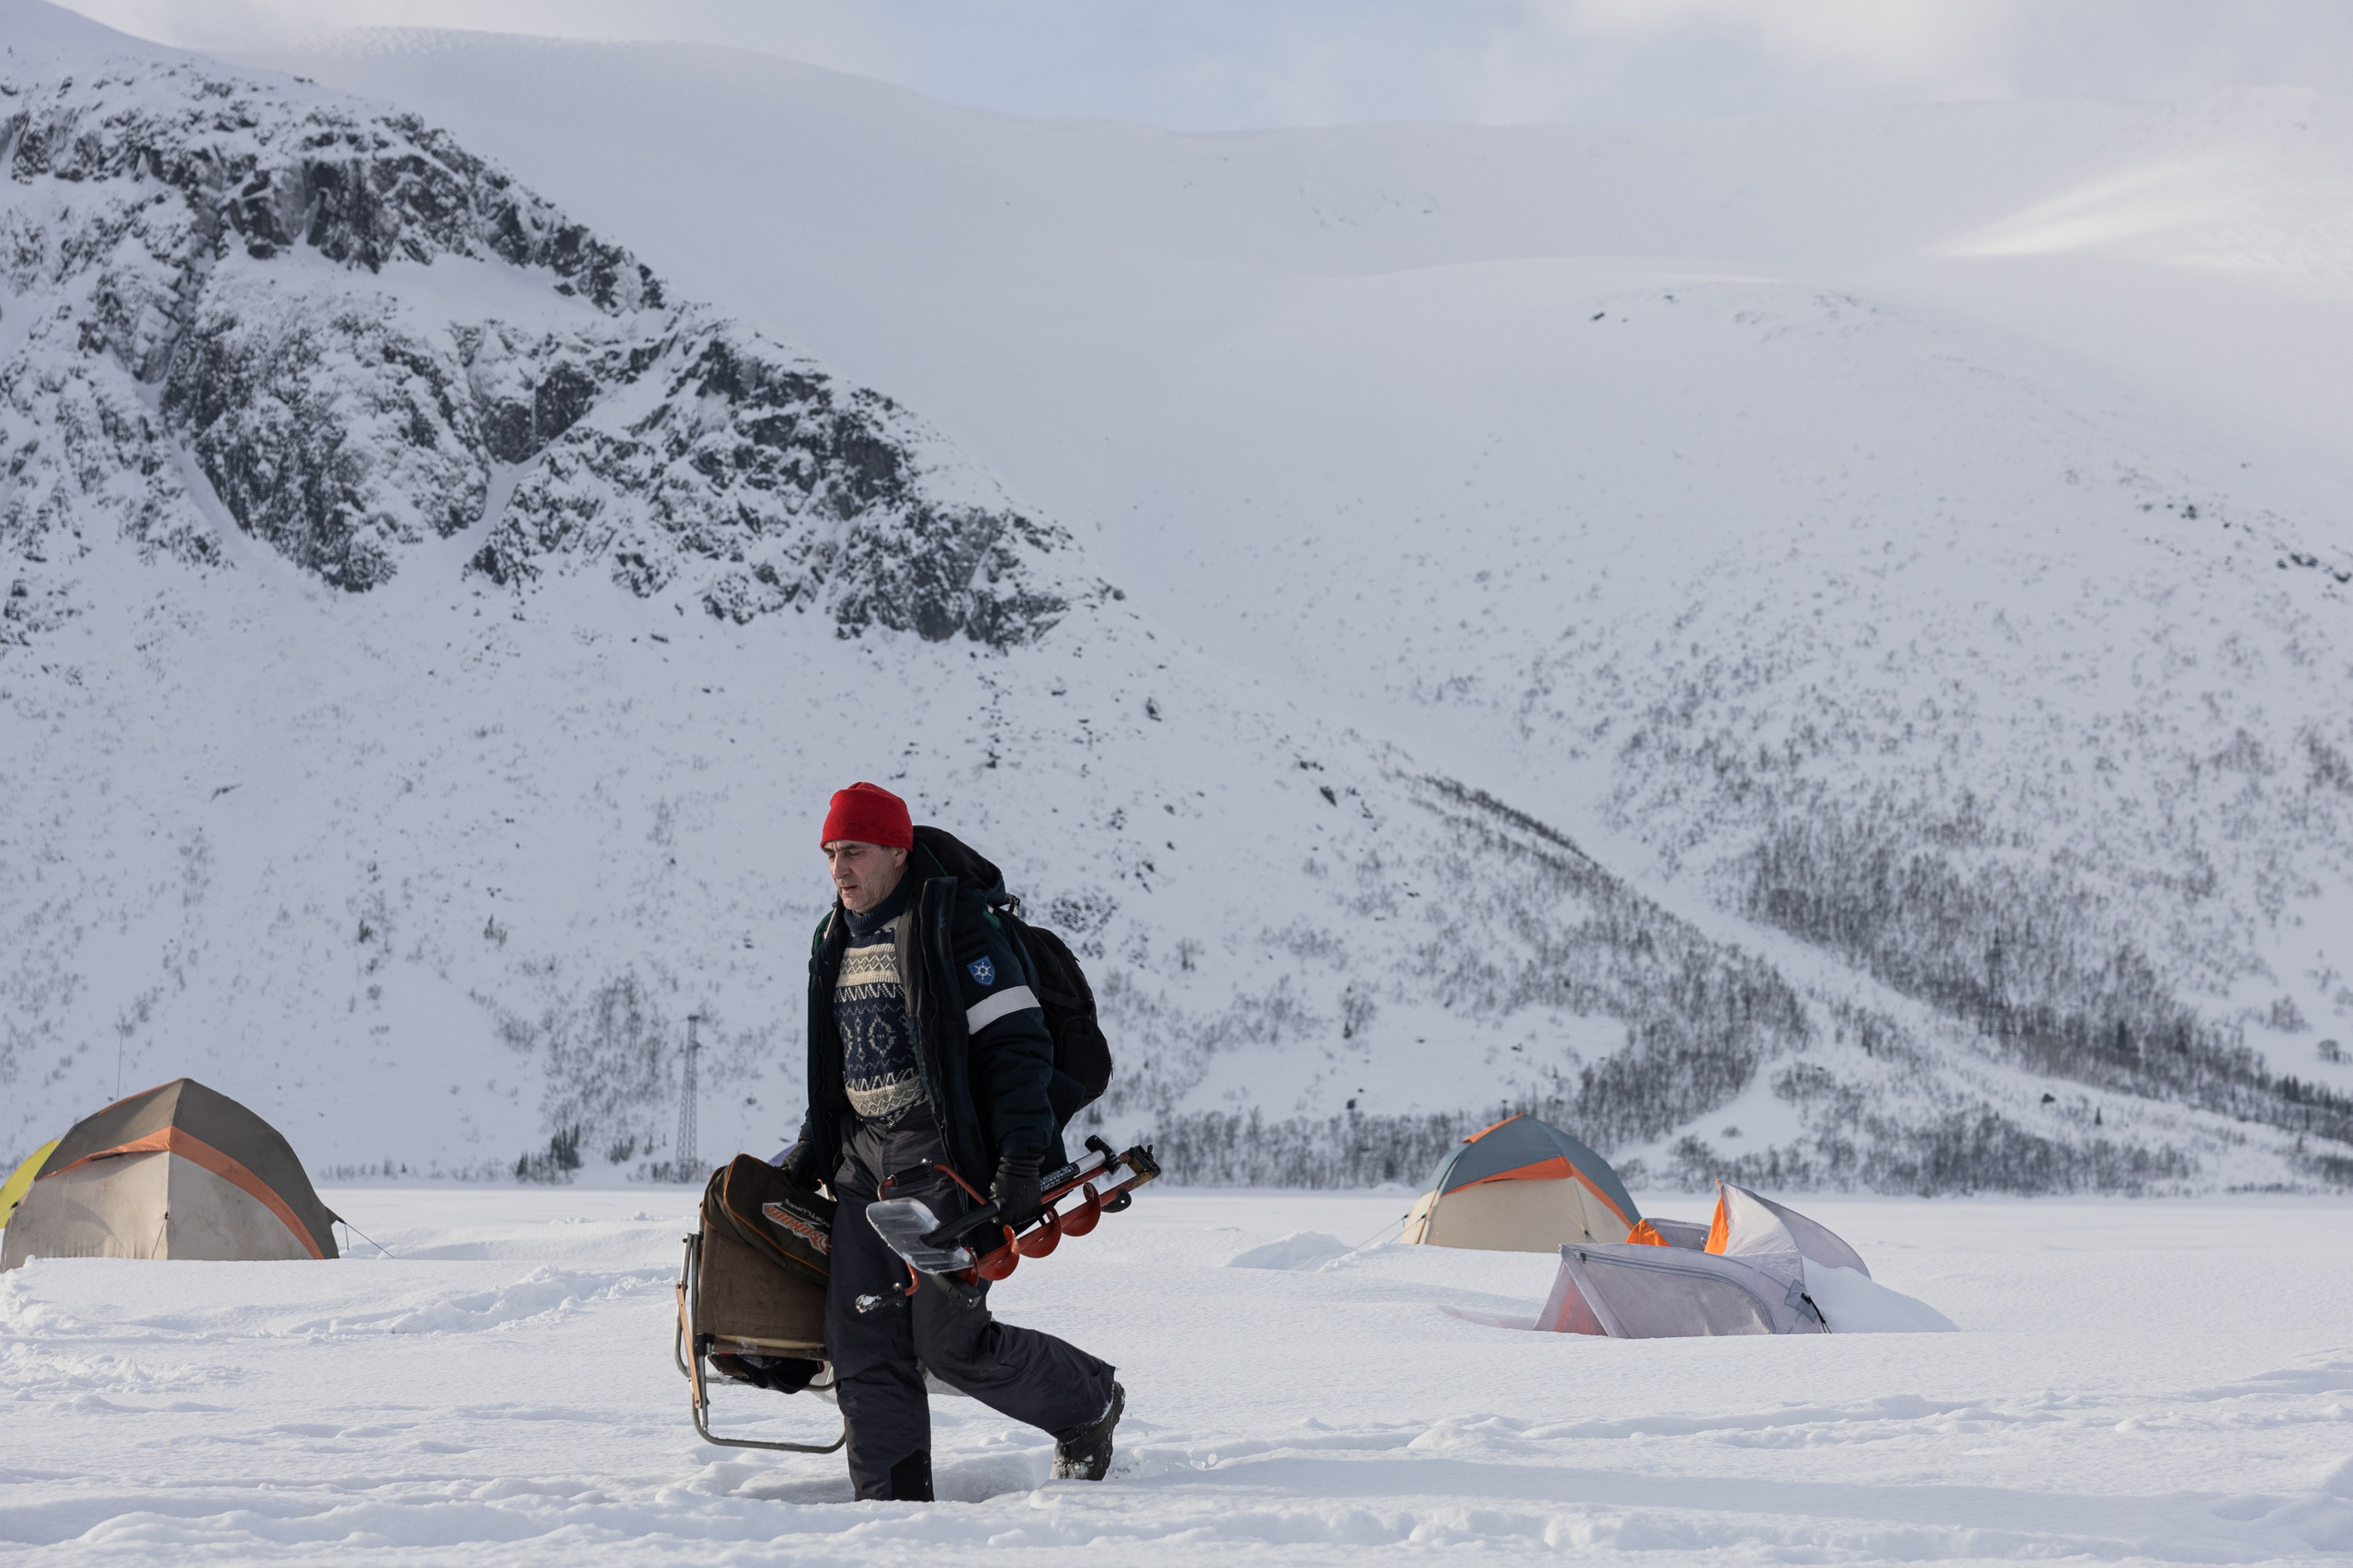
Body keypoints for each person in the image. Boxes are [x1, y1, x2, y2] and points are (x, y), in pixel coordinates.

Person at [784, 781, 1124, 1502]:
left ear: (898, 852)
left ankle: (1086, 1402)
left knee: (948, 1344)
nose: (840, 869)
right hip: (860, 1161)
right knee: (862, 1346)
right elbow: (836, 1057)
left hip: (941, 1162)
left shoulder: (956, 927)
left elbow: (1016, 1050)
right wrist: (818, 1141)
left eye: (855, 851)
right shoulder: (833, 937)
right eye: (831, 853)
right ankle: (893, 1513)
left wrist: (1021, 1159)